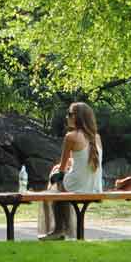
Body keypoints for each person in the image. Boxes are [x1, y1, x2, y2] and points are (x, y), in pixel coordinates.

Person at [38, 101, 103, 241]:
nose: (66, 117)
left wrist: (58, 171)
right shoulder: (96, 137)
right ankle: (64, 228)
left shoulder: (71, 136)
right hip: (95, 188)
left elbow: (62, 169)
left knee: (54, 181)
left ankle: (57, 229)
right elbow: (84, 162)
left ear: (78, 117)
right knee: (59, 185)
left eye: (69, 114)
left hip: (77, 186)